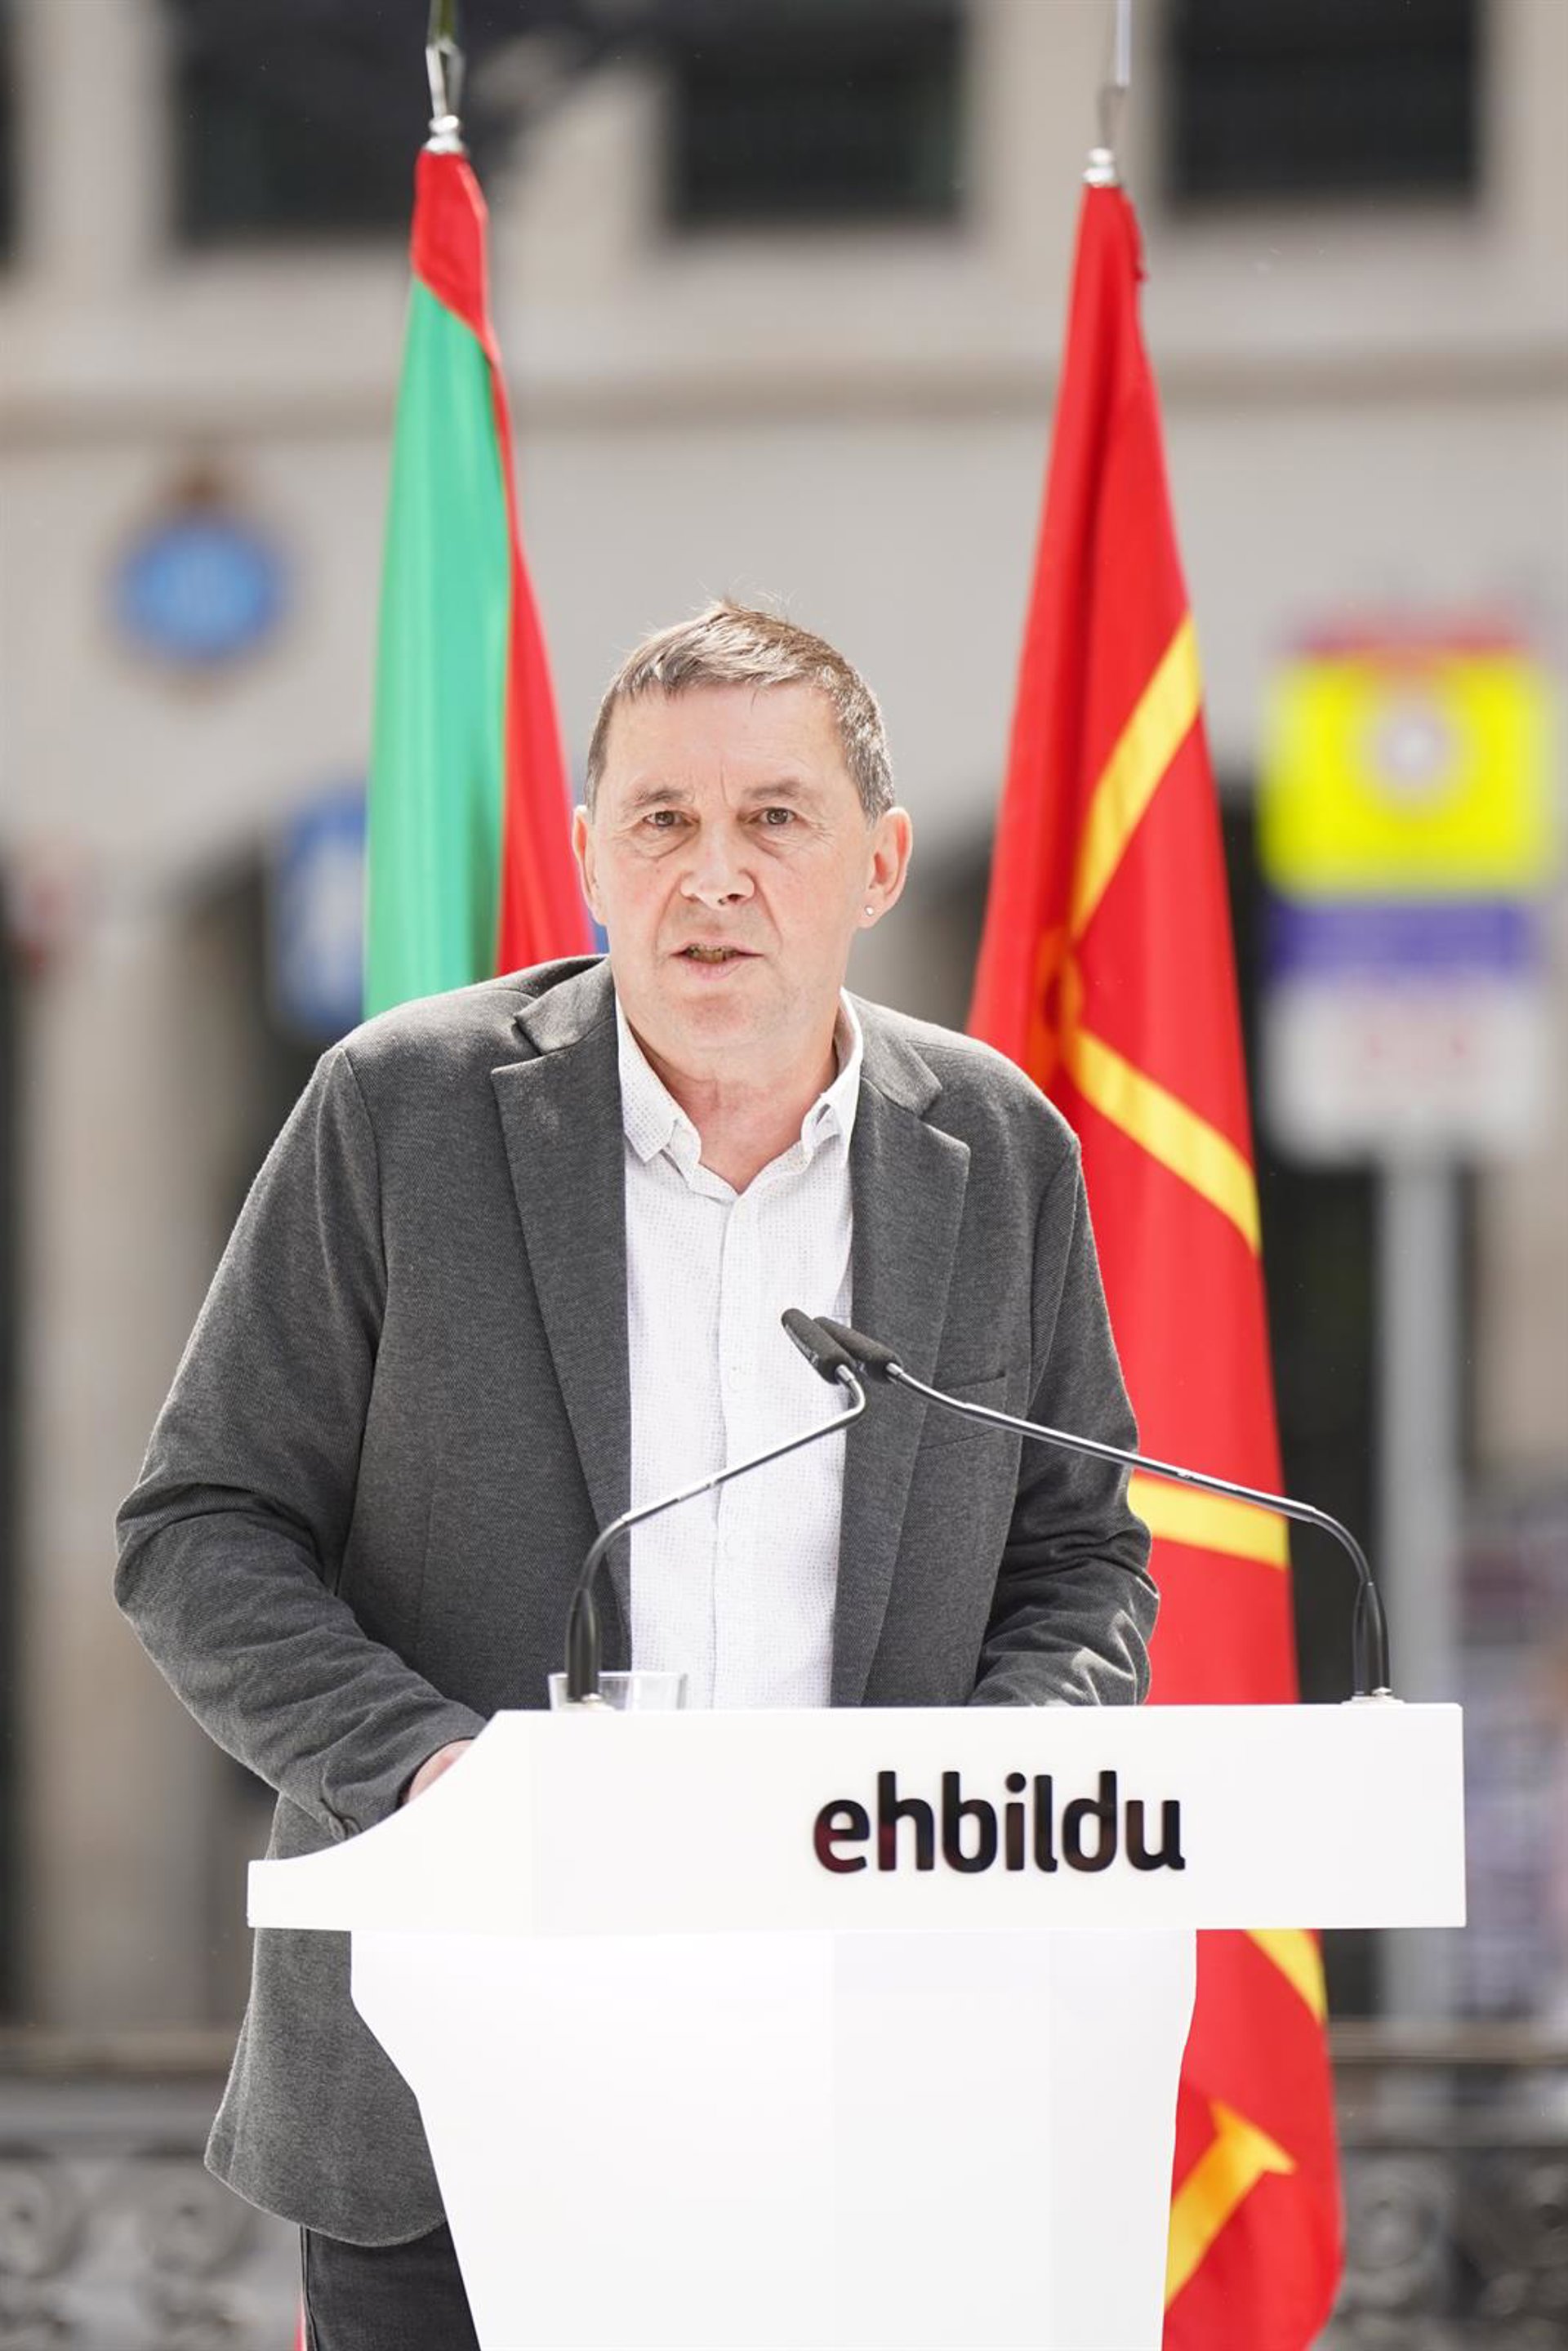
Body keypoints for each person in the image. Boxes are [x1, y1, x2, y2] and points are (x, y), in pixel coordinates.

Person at [116, 602, 1156, 2348]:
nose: (712, 874)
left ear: (881, 863)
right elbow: (199, 1531)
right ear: (593, 855)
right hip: (456, 2079)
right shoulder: (400, 1112)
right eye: (662, 819)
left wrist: (986, 1786)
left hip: (876, 2074)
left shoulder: (996, 1148)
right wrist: (425, 1772)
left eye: (774, 818)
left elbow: (1083, 1561)